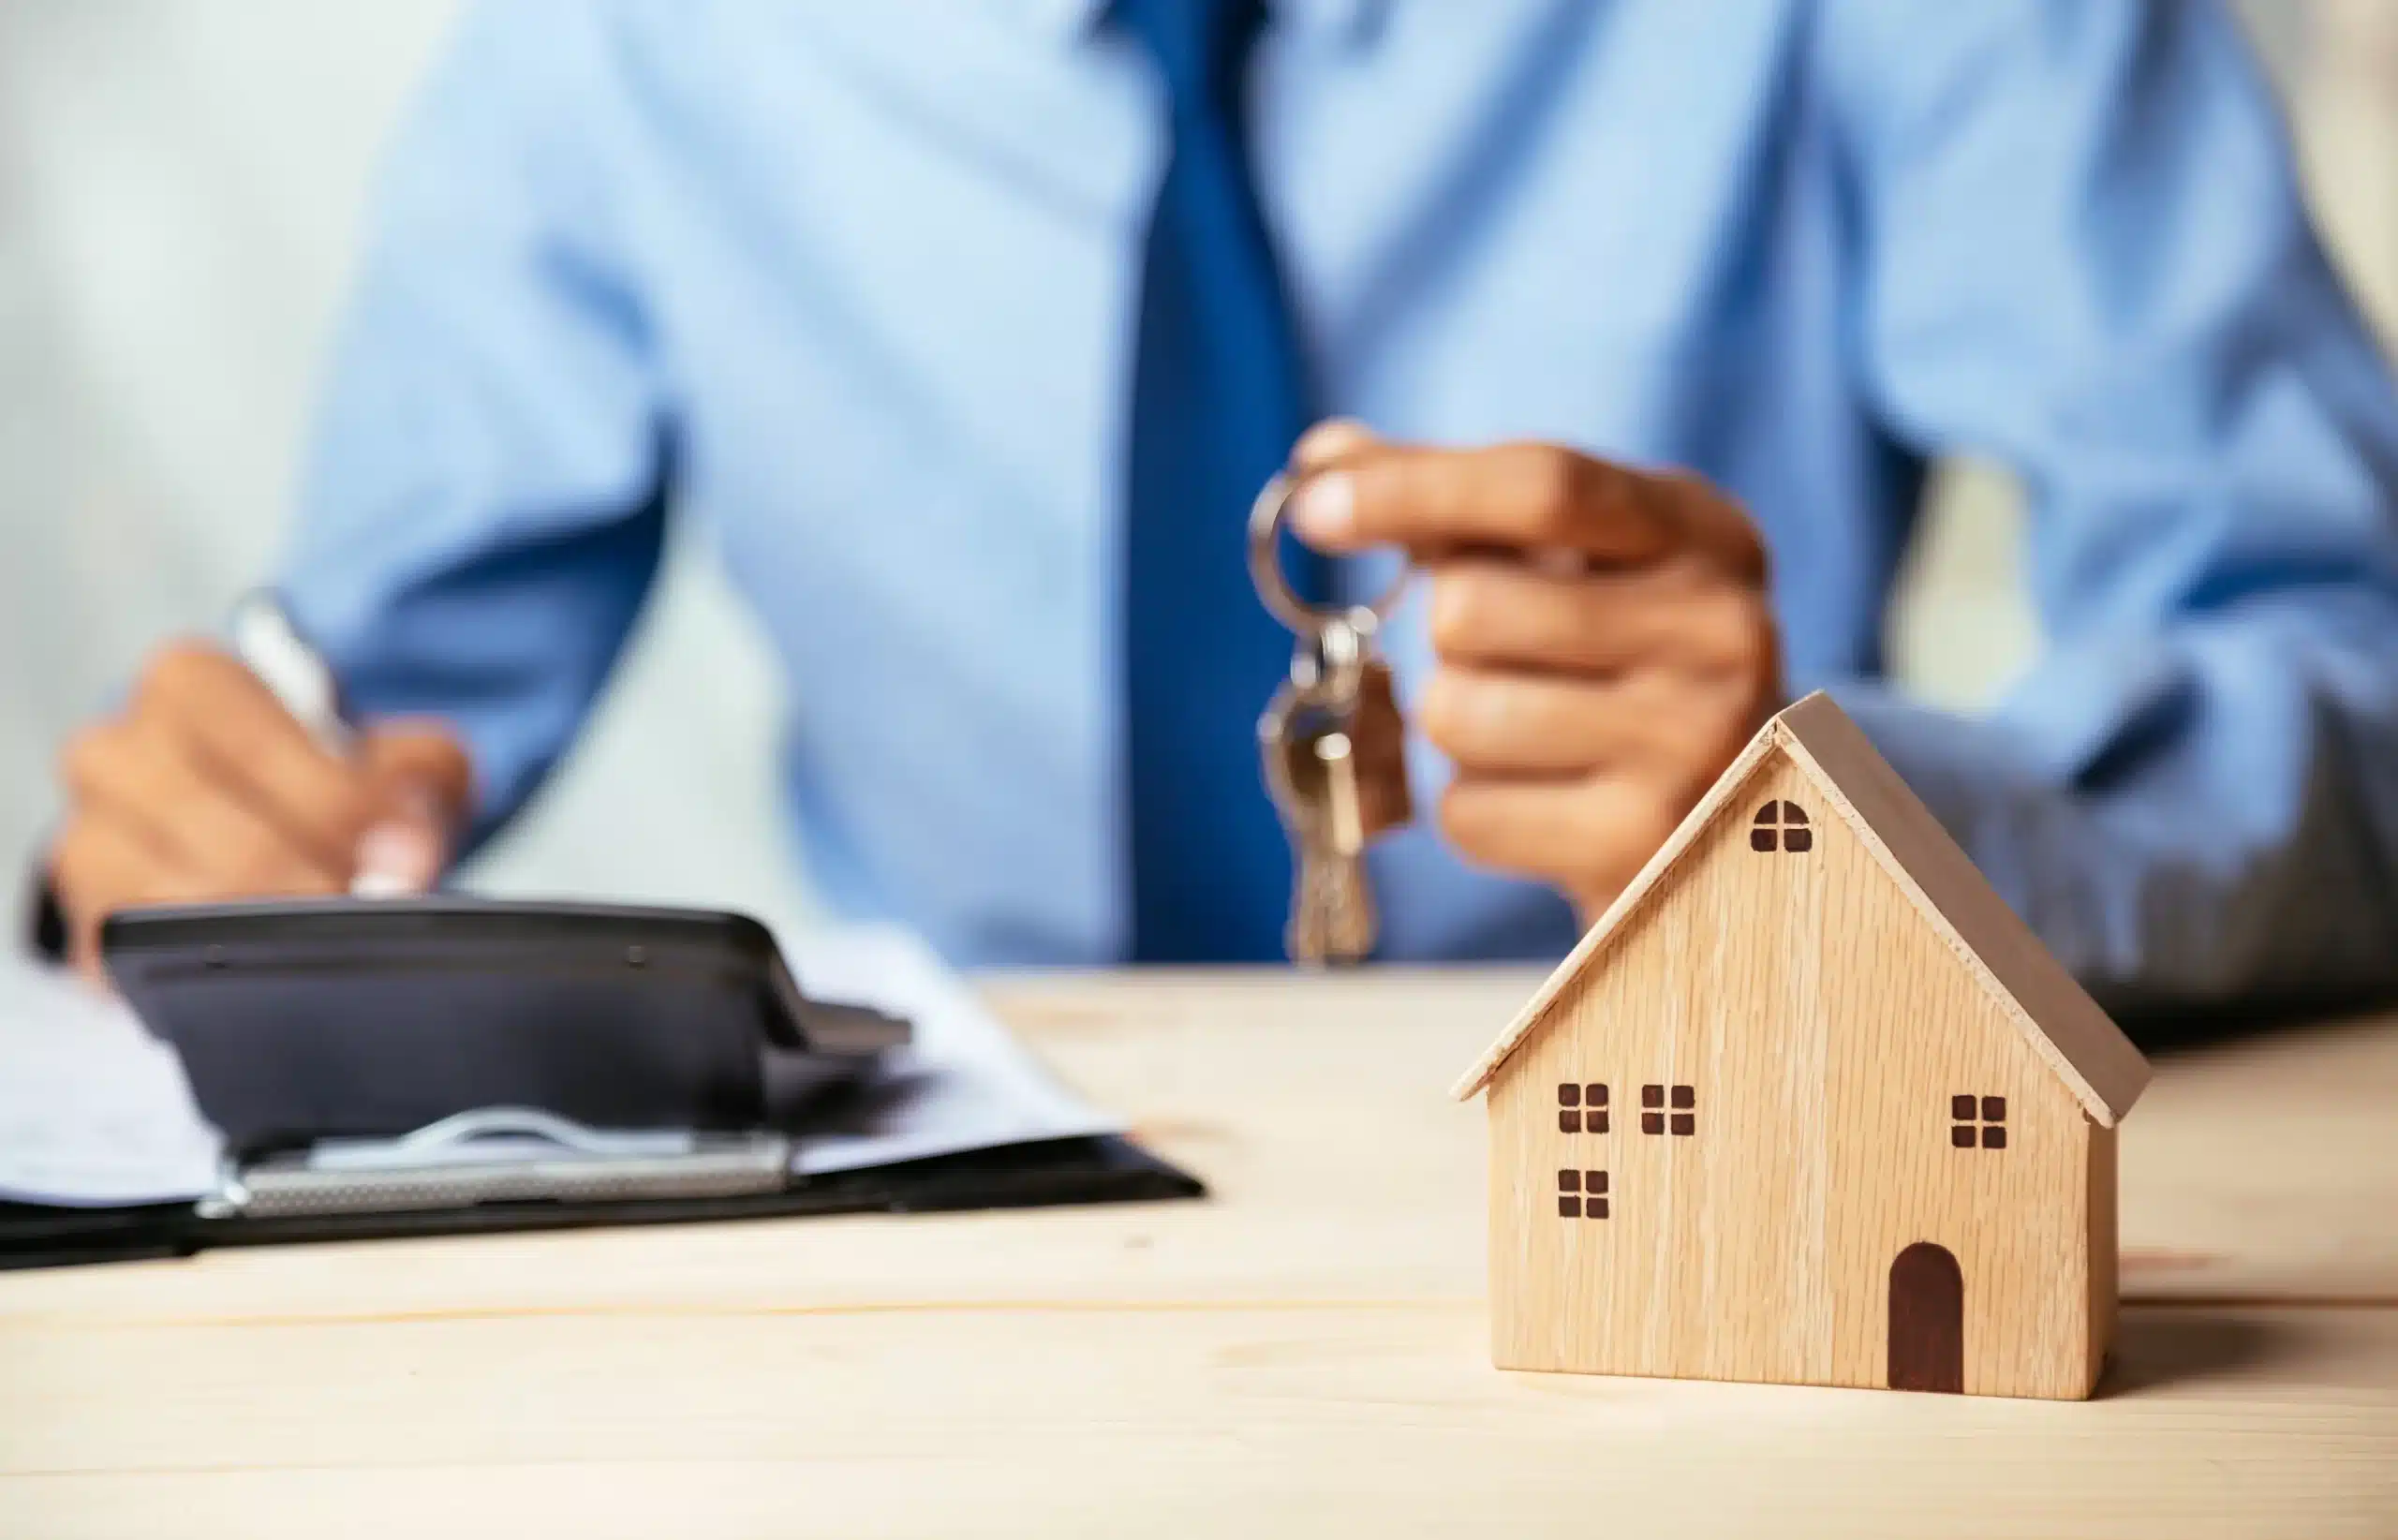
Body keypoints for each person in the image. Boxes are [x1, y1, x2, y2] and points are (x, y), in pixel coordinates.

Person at [38, 0, 2398, 1018]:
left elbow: (2361, 702)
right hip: (918, 1321)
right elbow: (324, 749)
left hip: (1687, 1227)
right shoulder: (633, 37)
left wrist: (1858, 824)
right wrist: (171, 874)